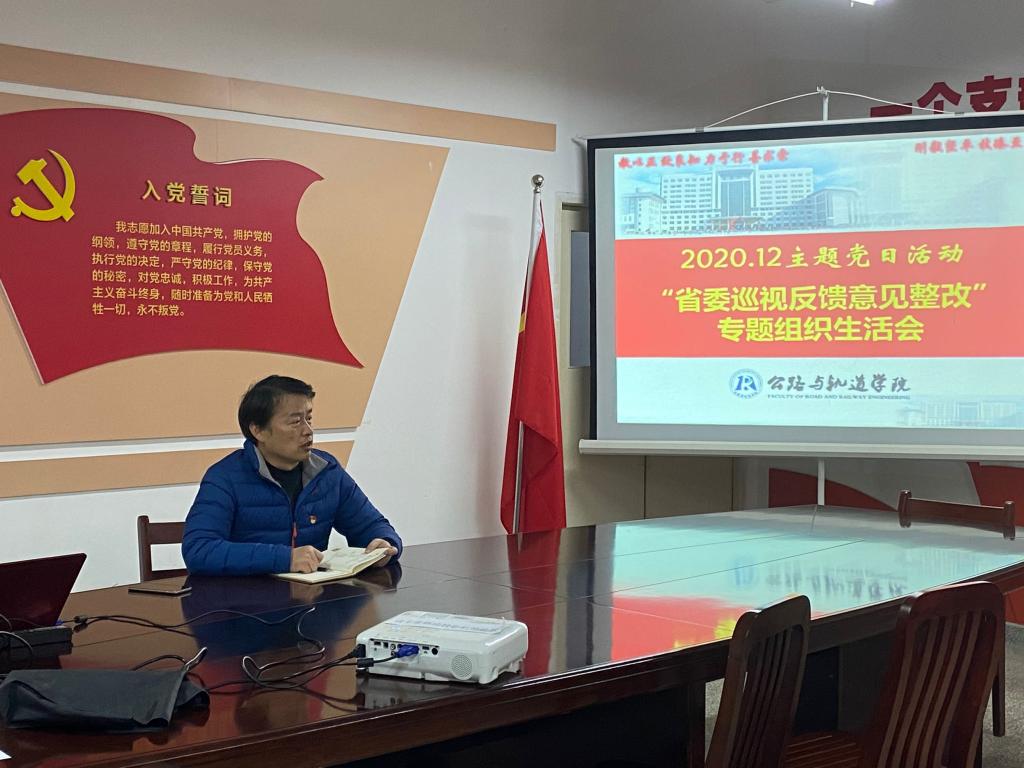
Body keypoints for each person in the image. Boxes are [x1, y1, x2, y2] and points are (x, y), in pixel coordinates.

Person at [182, 375, 401, 576]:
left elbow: (372, 525)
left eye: (309, 419)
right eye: (295, 422)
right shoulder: (225, 477)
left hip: (313, 600)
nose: (308, 431)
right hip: (243, 601)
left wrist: (384, 544)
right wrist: (285, 559)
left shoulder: (326, 471)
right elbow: (199, 550)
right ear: (258, 430)